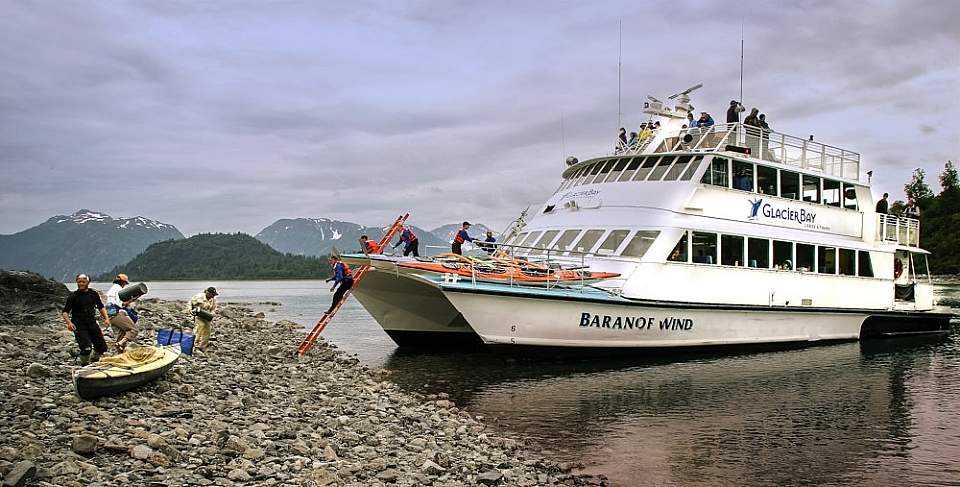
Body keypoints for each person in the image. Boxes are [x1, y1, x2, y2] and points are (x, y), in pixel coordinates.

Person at [62, 274, 111, 365]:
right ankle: (84, 364)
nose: (81, 284)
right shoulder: (73, 296)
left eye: (83, 282)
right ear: (77, 282)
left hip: (92, 323)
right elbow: (65, 312)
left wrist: (106, 318)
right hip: (79, 325)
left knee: (102, 347)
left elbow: (101, 307)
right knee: (86, 348)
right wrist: (69, 323)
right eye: (79, 282)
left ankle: (94, 360)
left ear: (88, 282)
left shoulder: (93, 294)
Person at [105, 273, 138, 352]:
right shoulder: (119, 290)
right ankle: (120, 343)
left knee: (123, 332)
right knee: (133, 330)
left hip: (110, 314)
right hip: (116, 313)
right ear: (123, 282)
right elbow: (121, 304)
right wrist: (131, 300)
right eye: (125, 283)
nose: (125, 285)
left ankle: (120, 353)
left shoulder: (112, 289)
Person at [188, 287, 218, 352]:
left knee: (207, 330)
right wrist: (190, 310)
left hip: (207, 315)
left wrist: (212, 314)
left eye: (214, 295)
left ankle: (202, 346)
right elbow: (190, 303)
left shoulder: (213, 299)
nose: (213, 296)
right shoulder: (199, 297)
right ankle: (194, 344)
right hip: (198, 314)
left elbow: (213, 308)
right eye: (212, 294)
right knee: (200, 327)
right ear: (208, 293)